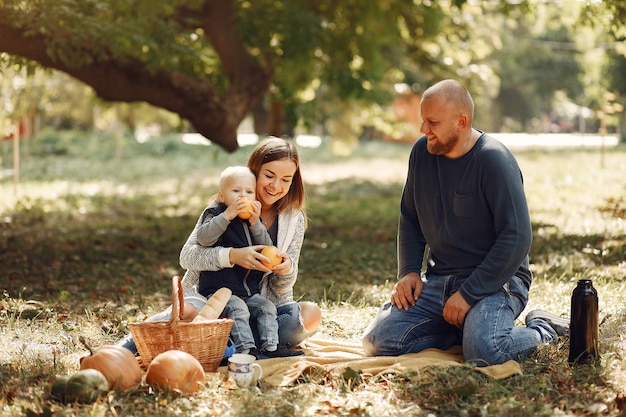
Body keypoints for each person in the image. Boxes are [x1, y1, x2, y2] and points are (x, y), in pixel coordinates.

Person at [361, 79, 569, 366]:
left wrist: (469, 294)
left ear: (461, 121)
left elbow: (518, 236)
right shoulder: (422, 154)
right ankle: (462, 328)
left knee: (486, 352)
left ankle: (543, 329)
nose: (423, 130)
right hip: (439, 280)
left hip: (496, 282)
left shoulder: (493, 160)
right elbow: (410, 217)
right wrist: (408, 271)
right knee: (377, 341)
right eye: (423, 121)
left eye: (432, 122)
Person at [116, 137, 322, 358]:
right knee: (188, 313)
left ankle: (224, 345)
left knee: (310, 314)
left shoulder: (293, 219)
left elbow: (282, 289)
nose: (276, 186)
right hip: (212, 303)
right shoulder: (223, 206)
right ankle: (125, 348)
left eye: (286, 179)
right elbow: (188, 256)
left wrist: (286, 268)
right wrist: (232, 256)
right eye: (269, 176)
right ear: (254, 171)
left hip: (259, 309)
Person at [195, 165, 302, 358]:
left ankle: (270, 347)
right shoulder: (215, 214)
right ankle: (246, 349)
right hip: (220, 291)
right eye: (236, 191)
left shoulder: (252, 221)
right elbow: (203, 239)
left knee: (266, 307)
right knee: (238, 309)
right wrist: (227, 215)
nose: (242, 196)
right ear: (221, 196)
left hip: (246, 291)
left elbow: (267, 246)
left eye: (249, 192)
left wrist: (255, 223)